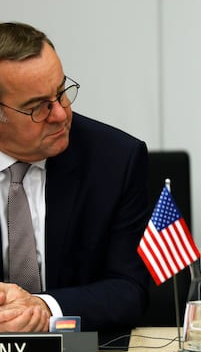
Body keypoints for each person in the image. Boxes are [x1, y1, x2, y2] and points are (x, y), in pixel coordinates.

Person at [0, 22, 149, 332]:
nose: (60, 114)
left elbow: (129, 290)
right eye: (37, 107)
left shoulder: (114, 159)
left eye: (61, 92)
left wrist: (42, 306)